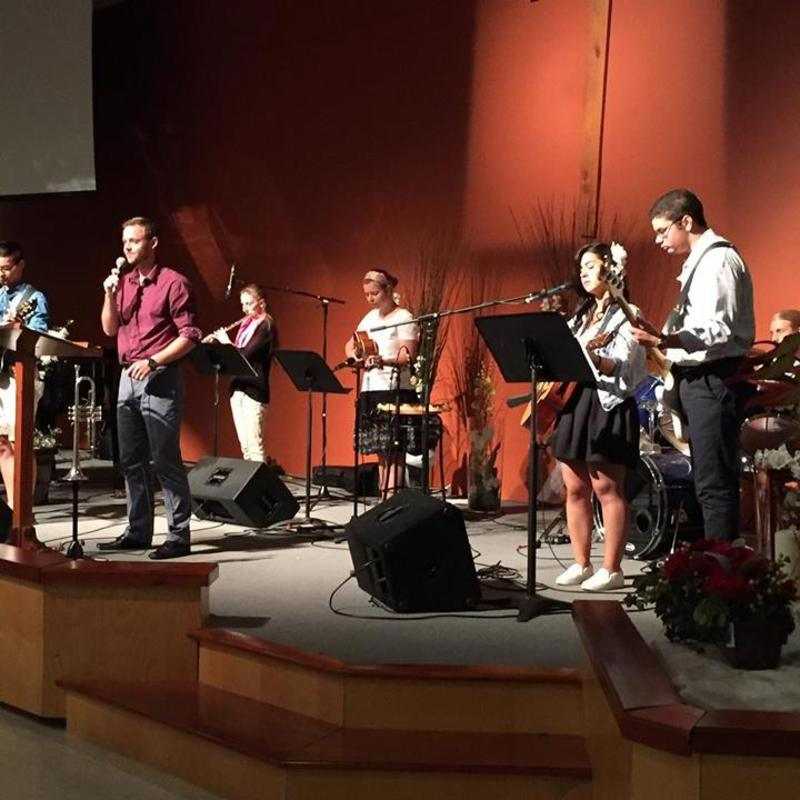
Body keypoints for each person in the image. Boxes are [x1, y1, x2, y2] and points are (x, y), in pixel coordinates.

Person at [631, 189, 755, 541]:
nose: (658, 240)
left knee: (715, 483)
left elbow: (717, 329)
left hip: (713, 380)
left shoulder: (718, 261)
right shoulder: (698, 262)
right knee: (705, 478)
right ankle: (707, 568)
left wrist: (664, 339)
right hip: (695, 380)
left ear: (686, 221)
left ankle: (721, 572)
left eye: (662, 230)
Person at [98, 217, 201, 559]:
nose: (127, 247)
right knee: (130, 460)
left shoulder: (174, 283)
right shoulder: (123, 282)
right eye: (125, 241)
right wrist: (109, 295)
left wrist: (155, 361)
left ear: (153, 243)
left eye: (135, 241)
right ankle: (138, 530)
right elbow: (110, 330)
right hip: (128, 376)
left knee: (165, 459)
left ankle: (177, 535)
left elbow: (190, 336)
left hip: (159, 377)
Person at [552, 242, 646, 592]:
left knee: (607, 486)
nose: (584, 273)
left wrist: (591, 356)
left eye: (590, 266)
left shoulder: (628, 312)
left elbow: (620, 365)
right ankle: (580, 562)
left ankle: (612, 568)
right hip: (577, 399)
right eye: (582, 268)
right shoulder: (582, 313)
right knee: (574, 486)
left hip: (607, 401)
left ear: (611, 269)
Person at [344, 269, 419, 497]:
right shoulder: (369, 318)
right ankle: (384, 496)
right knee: (379, 448)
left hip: (394, 389)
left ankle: (392, 498)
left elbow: (408, 355)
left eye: (374, 293)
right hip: (372, 388)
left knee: (394, 449)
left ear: (388, 290)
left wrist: (382, 360)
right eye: (366, 294)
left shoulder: (404, 317)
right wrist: (356, 357)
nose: (370, 299)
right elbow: (350, 343)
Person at [0, 241, 50, 508]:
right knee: (2, 444)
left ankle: (21, 508)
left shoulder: (33, 298)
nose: (2, 275)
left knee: (20, 441)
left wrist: (16, 328)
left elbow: (38, 335)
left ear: (20, 265)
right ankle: (10, 509)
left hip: (18, 374)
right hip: (0, 375)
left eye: (7, 269)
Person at [203, 284, 275, 461]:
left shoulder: (265, 327)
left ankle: (261, 488)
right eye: (243, 305)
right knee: (245, 447)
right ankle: (252, 487)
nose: (245, 309)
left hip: (254, 391)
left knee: (255, 447)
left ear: (262, 303)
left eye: (249, 304)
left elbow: (244, 355)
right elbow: (233, 359)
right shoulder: (247, 326)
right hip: (238, 389)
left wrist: (225, 340)